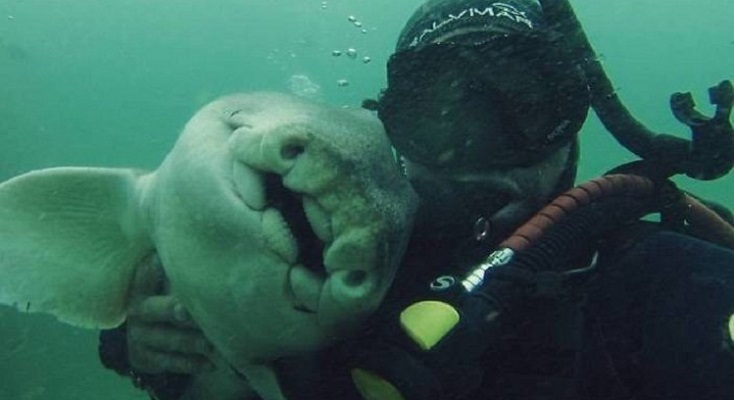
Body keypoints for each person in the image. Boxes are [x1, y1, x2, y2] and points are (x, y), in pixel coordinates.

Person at [99, 0, 734, 399]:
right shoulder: (321, 258)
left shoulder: (662, 283)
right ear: (394, 126)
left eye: (528, 102)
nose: (485, 149)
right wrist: (156, 336)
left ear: (571, 128)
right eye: (444, 109)